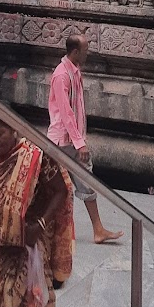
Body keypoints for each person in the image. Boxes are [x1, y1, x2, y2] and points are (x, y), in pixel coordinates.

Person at [0, 111, 73, 307]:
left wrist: (39, 225)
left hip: (31, 242)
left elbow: (60, 191)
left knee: (33, 302)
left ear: (14, 129)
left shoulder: (35, 155)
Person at [47, 31, 122, 244]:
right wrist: (79, 143)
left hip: (70, 140)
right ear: (75, 52)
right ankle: (88, 229)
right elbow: (66, 112)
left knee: (74, 184)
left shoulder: (74, 71)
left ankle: (96, 229)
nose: (87, 53)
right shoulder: (62, 75)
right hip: (64, 141)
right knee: (69, 184)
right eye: (85, 50)